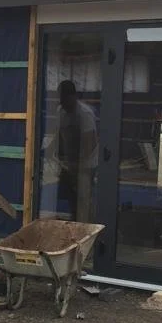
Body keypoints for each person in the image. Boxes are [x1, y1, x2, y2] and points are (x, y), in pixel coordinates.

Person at [56, 79, 98, 222]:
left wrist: (78, 166)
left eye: (65, 99)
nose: (62, 102)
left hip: (86, 164)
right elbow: (59, 136)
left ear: (73, 96)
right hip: (69, 163)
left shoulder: (85, 114)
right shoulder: (61, 112)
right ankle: (75, 226)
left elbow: (90, 143)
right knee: (71, 199)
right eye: (60, 99)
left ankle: (89, 232)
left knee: (84, 199)